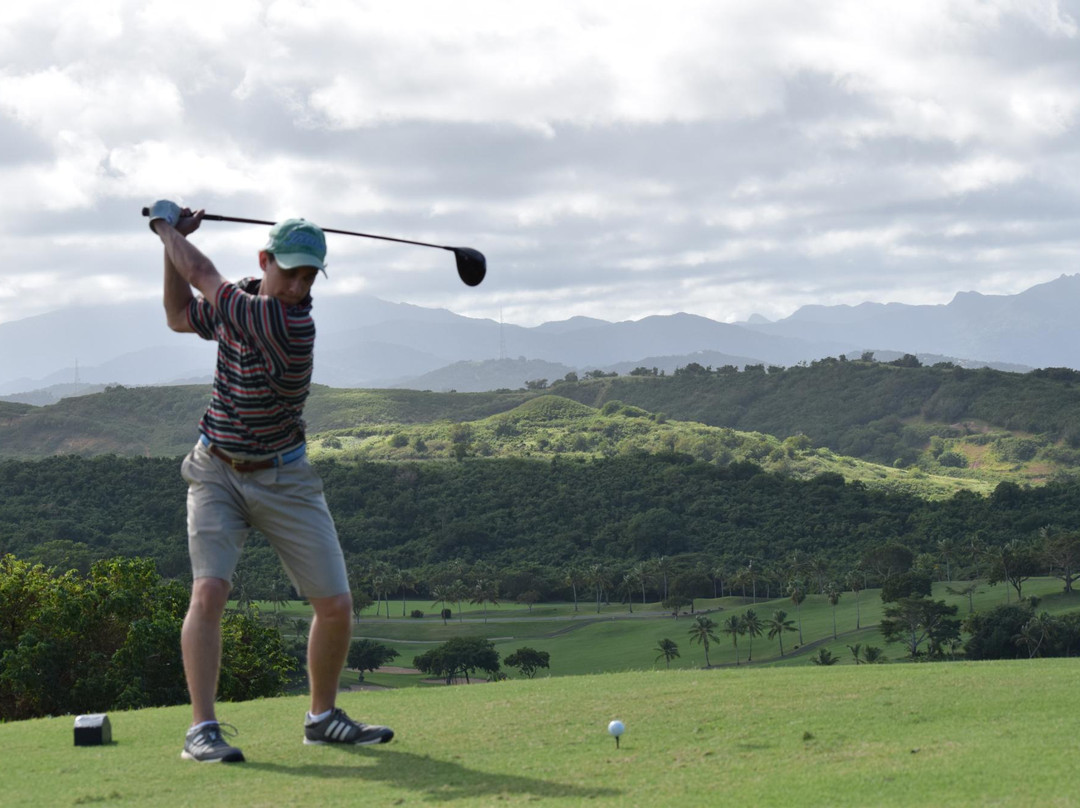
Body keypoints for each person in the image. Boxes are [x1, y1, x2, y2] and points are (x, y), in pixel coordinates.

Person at [147, 199, 394, 763]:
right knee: (209, 592)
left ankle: (323, 717)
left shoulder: (287, 323)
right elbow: (180, 314)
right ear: (266, 261)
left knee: (335, 604)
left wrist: (164, 227)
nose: (299, 285)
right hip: (216, 470)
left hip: (285, 476)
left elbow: (202, 276)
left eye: (310, 276)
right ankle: (201, 731)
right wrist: (168, 246)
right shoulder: (242, 301)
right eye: (291, 272)